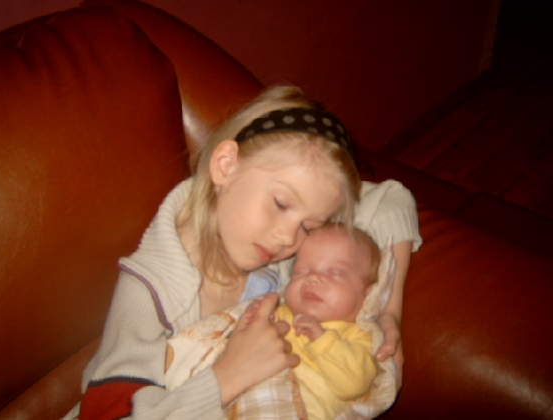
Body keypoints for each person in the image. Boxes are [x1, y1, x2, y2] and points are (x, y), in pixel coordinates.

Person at [65, 85, 421, 420]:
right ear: (225, 166)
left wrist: (389, 312)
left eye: (309, 226)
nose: (287, 238)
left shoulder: (281, 253)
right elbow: (108, 412)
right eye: (281, 203)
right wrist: (226, 378)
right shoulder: (149, 291)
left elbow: (392, 200)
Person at [164, 223, 384, 420]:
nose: (313, 278)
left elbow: (353, 385)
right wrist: (250, 319)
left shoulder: (357, 336)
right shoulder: (278, 311)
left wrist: (323, 340)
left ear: (367, 295)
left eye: (335, 273)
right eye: (301, 272)